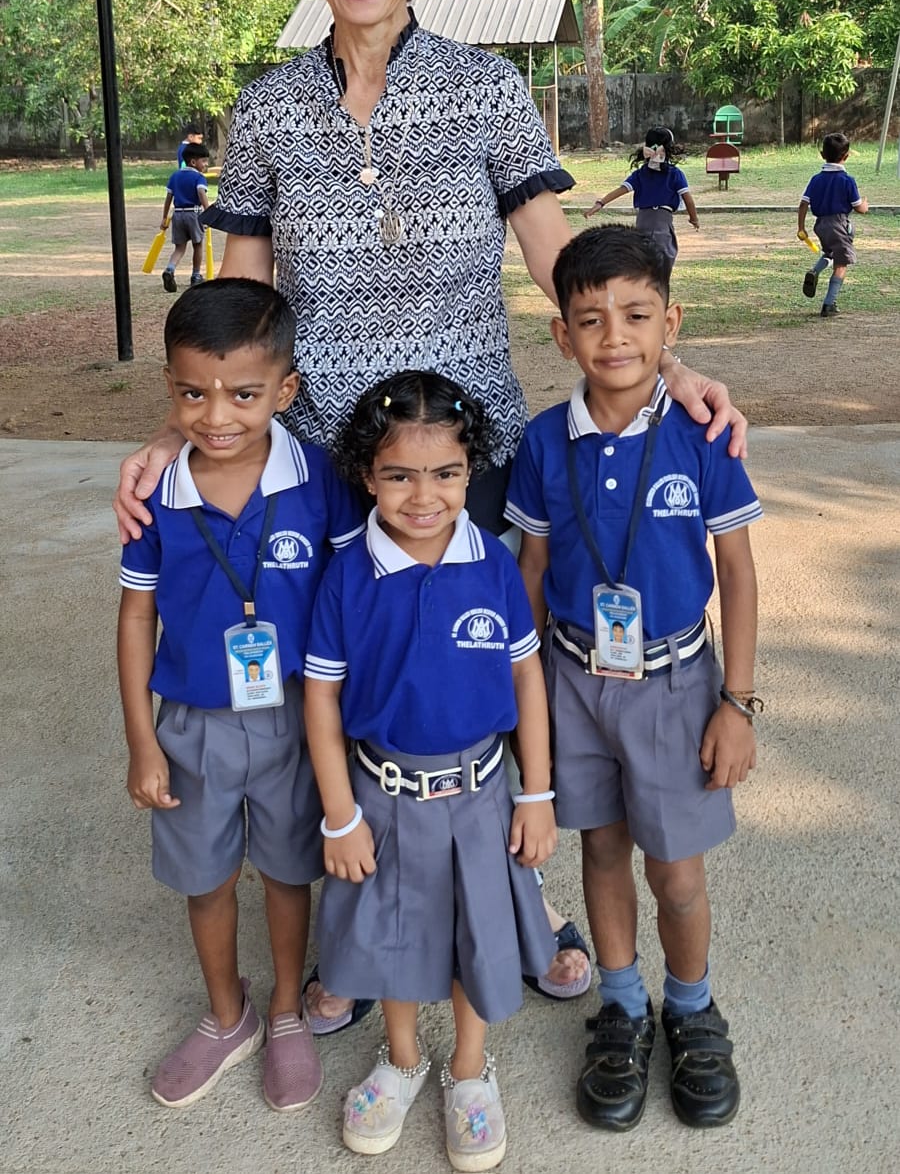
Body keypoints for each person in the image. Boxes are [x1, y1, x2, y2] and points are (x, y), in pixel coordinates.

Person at [113, 0, 747, 1019]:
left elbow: (561, 257)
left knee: (476, 670)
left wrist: (671, 365)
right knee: (352, 677)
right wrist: (183, 429)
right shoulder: (268, 111)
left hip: (468, 453)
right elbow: (241, 304)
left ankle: (515, 896)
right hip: (325, 460)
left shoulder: (484, 89)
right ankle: (368, 924)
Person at [506, 225, 763, 1133]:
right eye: (590, 320)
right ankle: (621, 1006)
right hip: (574, 680)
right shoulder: (545, 441)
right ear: (562, 336)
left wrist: (736, 702)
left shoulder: (704, 435)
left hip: (677, 685)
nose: (615, 336)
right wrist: (521, 699)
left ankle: (690, 1007)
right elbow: (533, 570)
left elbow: (737, 572)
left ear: (671, 322)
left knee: (677, 872)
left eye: (637, 315)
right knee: (602, 849)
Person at [116, 278, 364, 1110]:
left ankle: (287, 1010)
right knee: (208, 878)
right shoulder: (157, 494)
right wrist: (143, 743)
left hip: (298, 717)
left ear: (286, 390)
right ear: (170, 387)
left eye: (244, 394)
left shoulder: (319, 479)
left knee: (290, 872)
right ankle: (229, 1017)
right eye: (193, 392)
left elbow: (351, 596)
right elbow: (136, 616)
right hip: (193, 725)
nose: (216, 415)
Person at [304, 371, 558, 1168]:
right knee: (395, 936)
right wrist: (340, 815)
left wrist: (538, 794)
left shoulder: (493, 566)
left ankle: (470, 1071)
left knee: (477, 934)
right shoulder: (348, 574)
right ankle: (404, 1059)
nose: (424, 497)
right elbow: (321, 697)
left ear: (471, 469)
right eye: (399, 476)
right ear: (366, 475)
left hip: (482, 797)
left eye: (446, 473)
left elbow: (526, 677)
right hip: (381, 797)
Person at [586, 124, 699, 272]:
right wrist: (694, 219)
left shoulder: (640, 174)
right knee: (663, 260)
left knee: (643, 260)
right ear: (669, 148)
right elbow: (688, 199)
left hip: (642, 222)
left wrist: (600, 203)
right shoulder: (675, 174)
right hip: (662, 223)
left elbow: (621, 190)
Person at [798, 132, 868, 317]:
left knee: (830, 253)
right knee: (841, 264)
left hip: (821, 225)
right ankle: (829, 304)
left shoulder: (816, 179)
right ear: (847, 156)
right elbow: (859, 208)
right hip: (839, 224)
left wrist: (801, 228)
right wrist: (865, 205)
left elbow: (803, 204)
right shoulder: (847, 180)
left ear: (822, 155)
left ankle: (815, 271)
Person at [160, 142, 209, 293]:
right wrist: (208, 213)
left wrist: (164, 217)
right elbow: (201, 193)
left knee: (180, 247)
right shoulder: (199, 177)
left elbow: (168, 197)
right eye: (204, 161)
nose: (206, 164)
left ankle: (170, 269)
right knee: (198, 245)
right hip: (193, 214)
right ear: (193, 162)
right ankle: (195, 275)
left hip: (178, 214)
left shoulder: (175, 176)